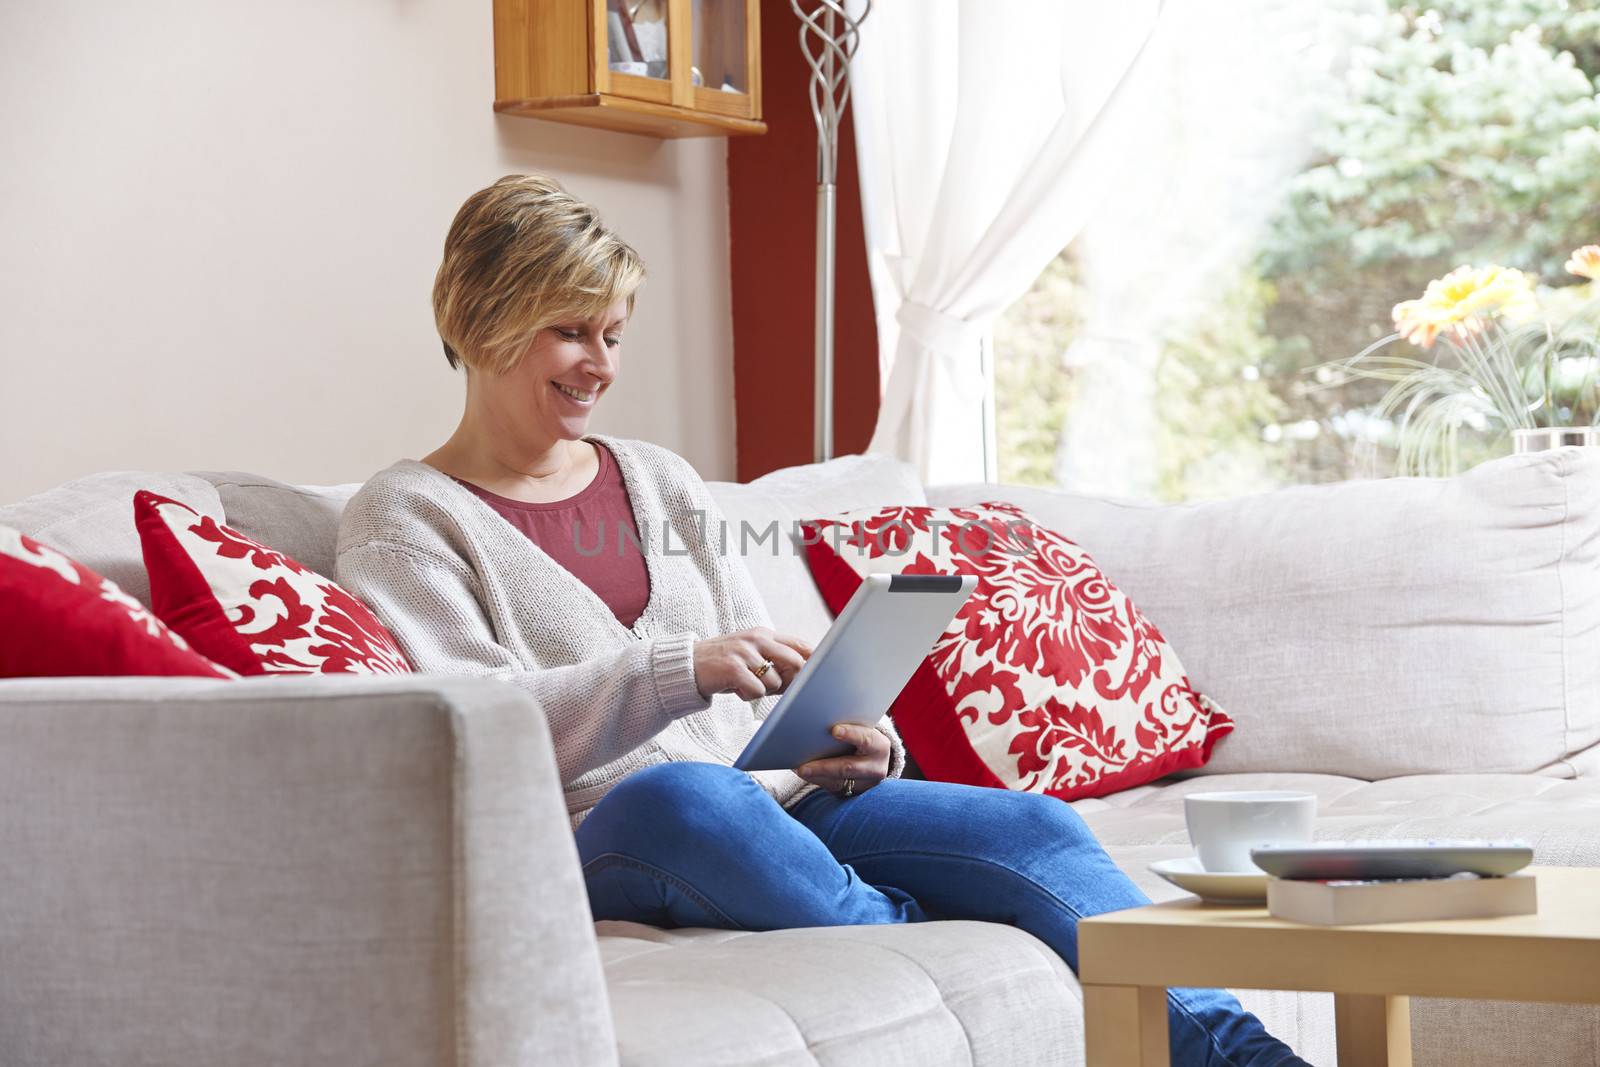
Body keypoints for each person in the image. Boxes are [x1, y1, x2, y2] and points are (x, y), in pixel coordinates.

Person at [335, 174, 1310, 1067]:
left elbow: (762, 665)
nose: (600, 364)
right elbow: (468, 726)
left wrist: (850, 737)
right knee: (686, 798)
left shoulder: (660, 481)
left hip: (778, 801)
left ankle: (1242, 1053)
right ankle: (903, 920)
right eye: (572, 331)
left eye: (615, 333)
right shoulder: (408, 516)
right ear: (486, 318)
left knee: (1031, 825)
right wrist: (677, 669)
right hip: (611, 828)